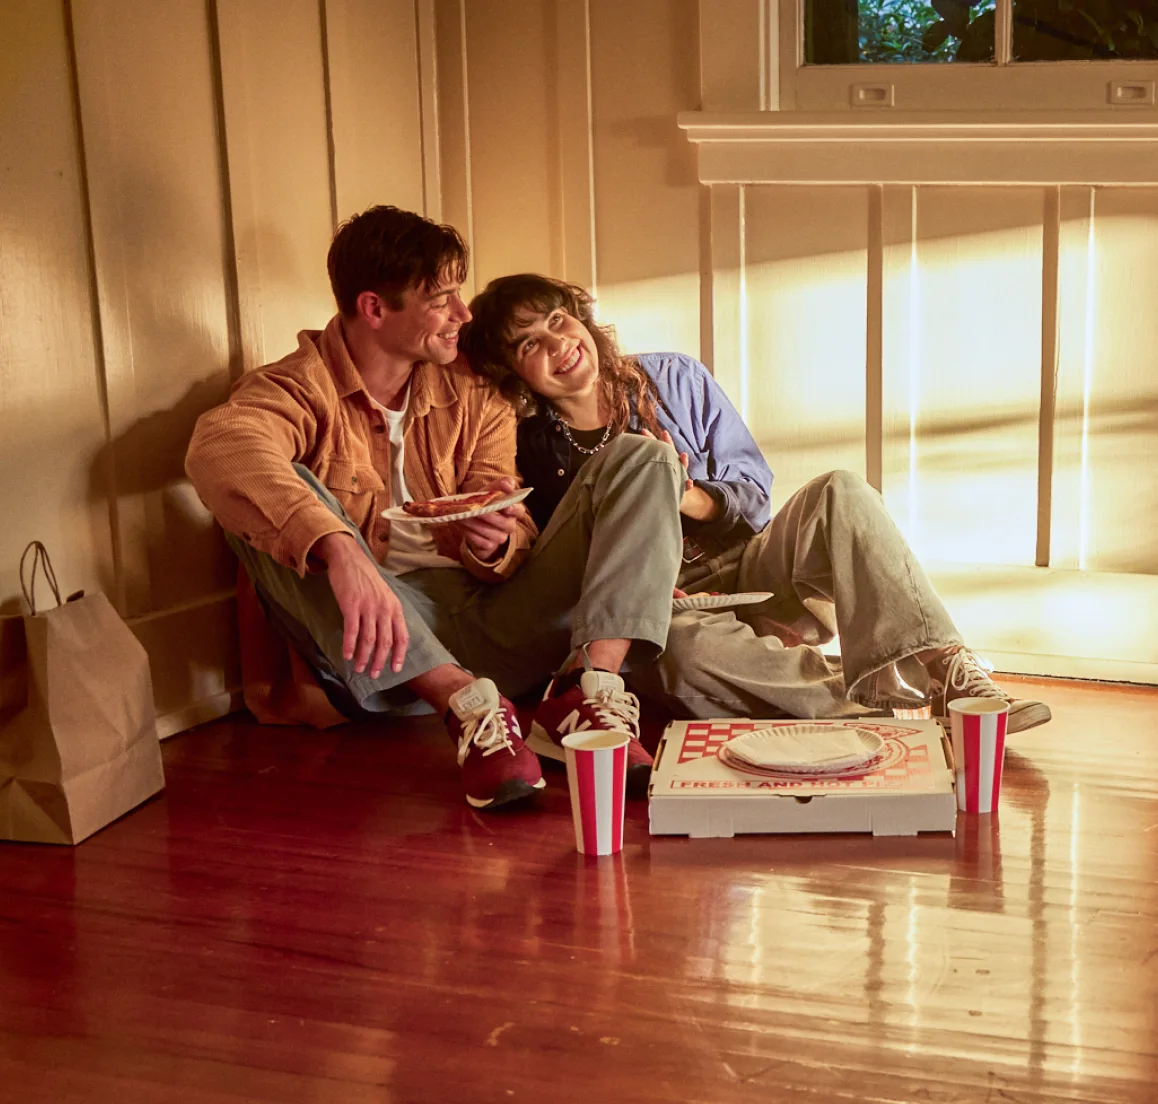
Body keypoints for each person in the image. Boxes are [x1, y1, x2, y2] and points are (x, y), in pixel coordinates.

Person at [186, 208, 686, 811]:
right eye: (442, 298)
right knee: (275, 503)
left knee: (644, 459)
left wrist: (496, 541)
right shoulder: (296, 386)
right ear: (374, 308)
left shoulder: (473, 391)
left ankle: (584, 687)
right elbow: (221, 446)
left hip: (493, 621)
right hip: (385, 651)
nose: (463, 314)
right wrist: (340, 550)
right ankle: (465, 706)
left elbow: (512, 515)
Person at [459, 273, 1051, 734]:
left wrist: (687, 496)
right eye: (528, 344)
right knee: (682, 659)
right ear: (516, 374)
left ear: (581, 318)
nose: (558, 345)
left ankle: (949, 672)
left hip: (752, 568)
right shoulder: (526, 444)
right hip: (670, 611)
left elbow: (754, 494)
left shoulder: (673, 379)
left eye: (559, 320)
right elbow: (559, 564)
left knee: (840, 489)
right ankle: (868, 710)